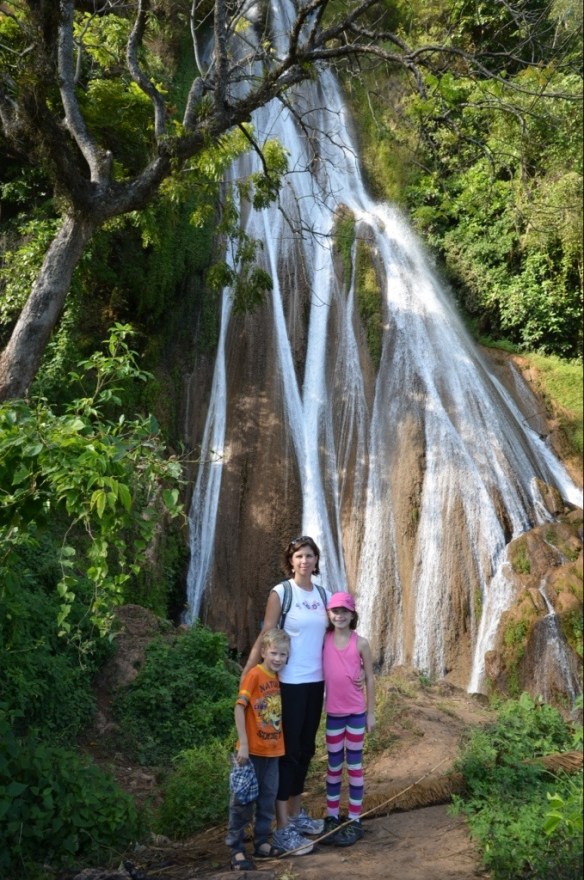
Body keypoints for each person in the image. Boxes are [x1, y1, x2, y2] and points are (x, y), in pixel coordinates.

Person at [240, 535, 331, 856]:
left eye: (309, 555)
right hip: (288, 684)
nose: (304, 561)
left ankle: (295, 814)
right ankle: (281, 829)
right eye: (299, 556)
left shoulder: (324, 595)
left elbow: (337, 636)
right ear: (291, 561)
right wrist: (249, 673)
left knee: (306, 750)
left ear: (317, 560)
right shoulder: (281, 592)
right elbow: (267, 632)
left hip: (316, 683)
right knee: (288, 752)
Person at [226, 627, 291, 870]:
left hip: (273, 752)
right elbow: (239, 707)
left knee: (267, 800)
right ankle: (236, 849)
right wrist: (243, 743)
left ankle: (262, 842)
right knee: (242, 801)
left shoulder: (277, 678)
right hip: (250, 753)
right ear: (263, 651)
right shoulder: (254, 675)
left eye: (283, 655)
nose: (278, 659)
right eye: (274, 653)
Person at [319, 591, 375, 847]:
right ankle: (332, 816)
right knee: (333, 766)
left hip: (355, 713)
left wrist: (371, 713)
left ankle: (354, 819)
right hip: (333, 714)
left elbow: (371, 678)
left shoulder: (360, 643)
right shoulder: (324, 639)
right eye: (335, 611)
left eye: (344, 611)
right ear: (329, 615)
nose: (339, 615)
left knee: (353, 765)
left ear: (352, 614)